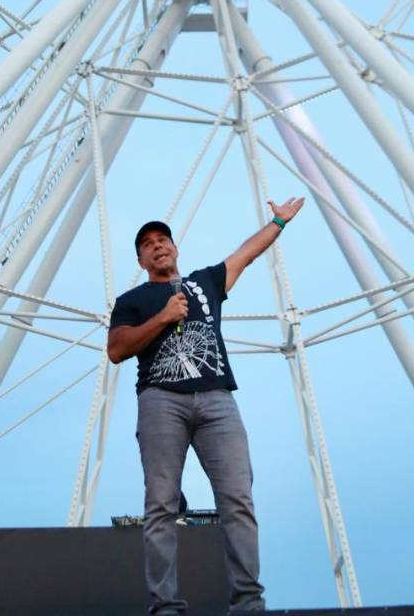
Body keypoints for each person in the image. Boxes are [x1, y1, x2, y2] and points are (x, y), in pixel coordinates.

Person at [107, 197, 305, 616]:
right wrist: (162, 318)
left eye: (163, 239)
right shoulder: (132, 300)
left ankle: (248, 603)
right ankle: (165, 606)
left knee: (238, 500)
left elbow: (246, 254)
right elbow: (116, 350)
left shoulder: (204, 283)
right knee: (161, 505)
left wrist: (278, 223)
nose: (157, 246)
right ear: (141, 259)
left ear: (175, 248)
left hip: (218, 400)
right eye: (148, 244)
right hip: (161, 400)